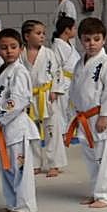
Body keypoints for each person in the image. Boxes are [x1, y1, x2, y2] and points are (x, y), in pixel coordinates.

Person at [66, 17, 107, 208]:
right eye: (87, 39)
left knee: (106, 159)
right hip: (84, 117)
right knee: (92, 159)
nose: (91, 44)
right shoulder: (79, 63)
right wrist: (72, 115)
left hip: (101, 117)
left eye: (96, 39)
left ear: (104, 39)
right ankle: (96, 192)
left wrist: (105, 116)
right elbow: (74, 91)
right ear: (81, 40)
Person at [0, 28, 41, 212]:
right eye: (4, 47)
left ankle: (25, 206)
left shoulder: (19, 71)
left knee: (20, 169)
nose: (8, 51)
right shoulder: (3, 71)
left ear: (21, 48)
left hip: (17, 128)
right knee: (8, 168)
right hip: (5, 128)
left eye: (13, 46)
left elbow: (18, 100)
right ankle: (13, 203)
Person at [20, 20, 59, 177]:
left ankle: (54, 164)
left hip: (46, 95)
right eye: (38, 33)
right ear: (27, 36)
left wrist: (55, 90)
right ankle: (34, 163)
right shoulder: (20, 55)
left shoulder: (49, 53)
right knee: (31, 131)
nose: (42, 36)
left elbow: (57, 73)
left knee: (52, 130)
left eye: (43, 33)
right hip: (29, 97)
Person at [46, 15, 77, 174]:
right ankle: (64, 133)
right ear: (67, 30)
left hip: (70, 80)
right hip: (63, 81)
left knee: (69, 109)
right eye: (74, 28)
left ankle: (68, 131)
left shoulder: (67, 44)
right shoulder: (57, 46)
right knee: (62, 110)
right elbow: (56, 68)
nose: (75, 30)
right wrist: (55, 87)